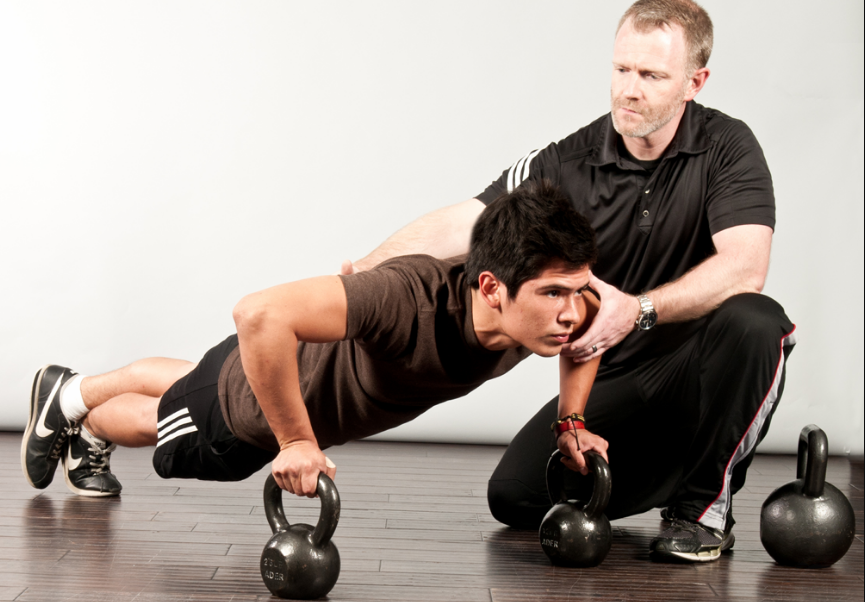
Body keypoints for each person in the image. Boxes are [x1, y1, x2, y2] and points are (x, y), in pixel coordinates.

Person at [342, 0, 796, 563]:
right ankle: (686, 468)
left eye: (652, 75)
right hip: (617, 372)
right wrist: (362, 273)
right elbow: (470, 220)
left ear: (694, 83)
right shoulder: (567, 160)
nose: (629, 89)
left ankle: (702, 508)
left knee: (756, 320)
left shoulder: (728, 147)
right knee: (515, 497)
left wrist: (638, 309)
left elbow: (746, 266)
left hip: (703, 366)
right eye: (622, 69)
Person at [22, 182, 608, 501]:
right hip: (255, 411)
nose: (572, 312)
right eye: (556, 294)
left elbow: (593, 330)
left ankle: (68, 390)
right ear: (492, 287)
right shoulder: (407, 299)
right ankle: (85, 421)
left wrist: (570, 421)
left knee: (188, 379)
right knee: (165, 423)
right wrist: (298, 440)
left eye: (577, 291)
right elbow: (259, 314)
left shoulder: (559, 307)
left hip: (274, 371)